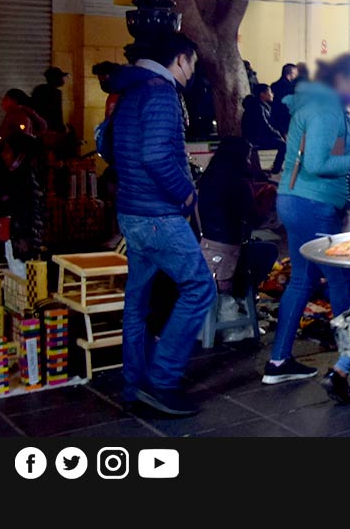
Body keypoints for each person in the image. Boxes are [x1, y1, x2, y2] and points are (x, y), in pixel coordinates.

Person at [263, 54, 350, 402]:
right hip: (314, 204)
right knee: (339, 280)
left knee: (303, 278)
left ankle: (278, 361)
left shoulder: (314, 106)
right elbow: (318, 163)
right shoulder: (324, 111)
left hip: (294, 200)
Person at [108, 32, 215, 416]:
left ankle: (134, 385)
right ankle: (163, 379)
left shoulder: (130, 90)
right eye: (193, 63)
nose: (192, 72)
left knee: (137, 303)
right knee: (201, 288)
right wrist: (185, 195)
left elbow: (113, 146)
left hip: (131, 212)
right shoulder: (161, 92)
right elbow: (156, 156)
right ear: (181, 60)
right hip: (157, 215)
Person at [195, 136, 277, 298]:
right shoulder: (238, 182)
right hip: (230, 256)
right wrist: (267, 197)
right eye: (247, 157)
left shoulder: (206, 179)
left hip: (204, 250)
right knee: (269, 251)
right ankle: (246, 296)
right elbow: (255, 219)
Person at [241, 84, 285, 172]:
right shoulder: (258, 107)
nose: (272, 94)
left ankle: (276, 168)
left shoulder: (261, 106)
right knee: (283, 145)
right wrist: (278, 134)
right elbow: (264, 125)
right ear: (262, 94)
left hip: (258, 136)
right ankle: (276, 169)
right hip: (257, 138)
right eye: (270, 92)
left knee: (283, 144)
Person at [31, 66, 68, 133]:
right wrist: (61, 129)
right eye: (61, 77)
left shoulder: (39, 89)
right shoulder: (56, 93)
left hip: (37, 127)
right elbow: (57, 114)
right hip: (50, 130)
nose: (63, 79)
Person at [269, 62, 299, 136]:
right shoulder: (293, 87)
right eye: (295, 74)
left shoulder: (274, 85)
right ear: (290, 74)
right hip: (288, 118)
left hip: (275, 117)